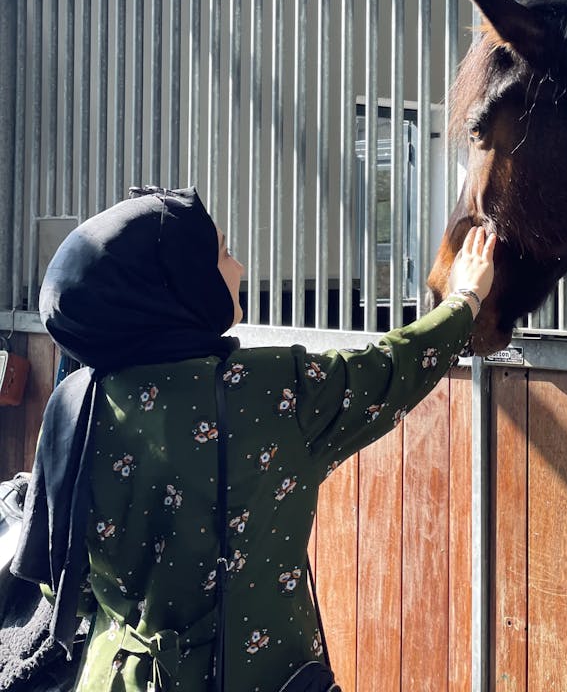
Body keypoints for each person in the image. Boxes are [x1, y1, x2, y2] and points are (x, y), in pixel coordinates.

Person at [11, 186, 495, 692]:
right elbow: (390, 371)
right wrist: (465, 300)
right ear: (178, 281)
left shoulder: (72, 407)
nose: (238, 267)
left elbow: (61, 583)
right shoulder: (273, 388)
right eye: (221, 252)